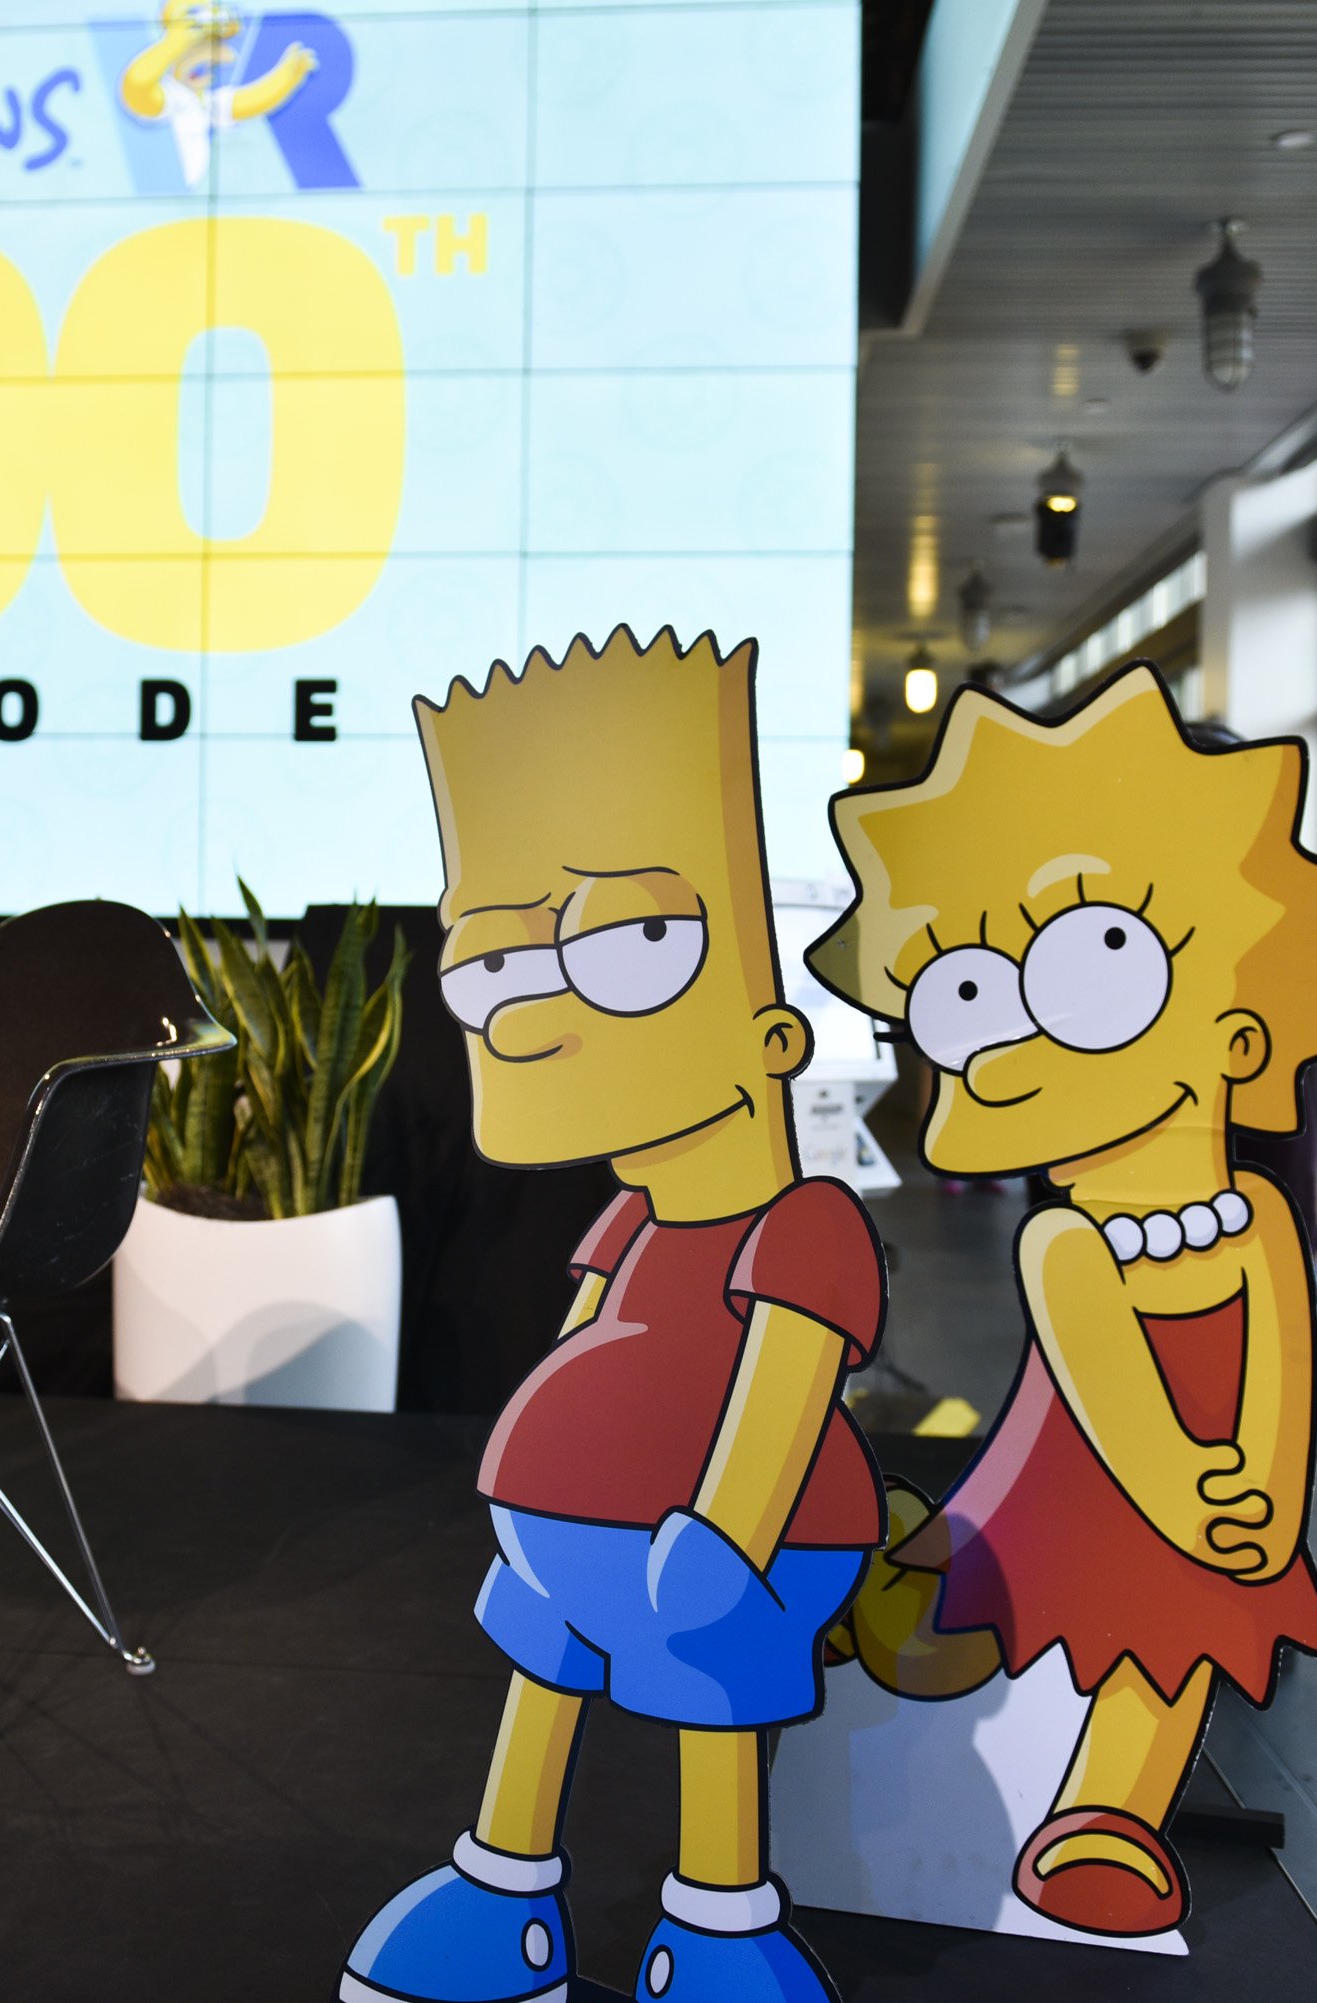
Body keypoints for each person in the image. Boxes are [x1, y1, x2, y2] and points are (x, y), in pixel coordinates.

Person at [340, 627, 885, 2003]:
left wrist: (726, 1532)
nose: (527, 1017)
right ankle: (502, 1886)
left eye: (634, 945)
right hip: (564, 1536)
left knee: (713, 1700)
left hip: (725, 1542)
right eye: (494, 971)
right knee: (544, 1681)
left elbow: (785, 1382)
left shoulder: (799, 1223)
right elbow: (583, 1333)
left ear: (775, 1038)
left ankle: (718, 1923)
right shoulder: (635, 1211)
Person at [812, 664, 1317, 1938]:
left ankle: (1107, 1812)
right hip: (1114, 1431)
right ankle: (889, 1603)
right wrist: (1189, 1486)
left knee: (1164, 1632)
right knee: (1019, 1599)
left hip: (1215, 1399)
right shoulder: (1073, 1231)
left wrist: (1260, 1490)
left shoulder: (1250, 1157)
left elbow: (1284, 1340)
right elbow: (1109, 1369)